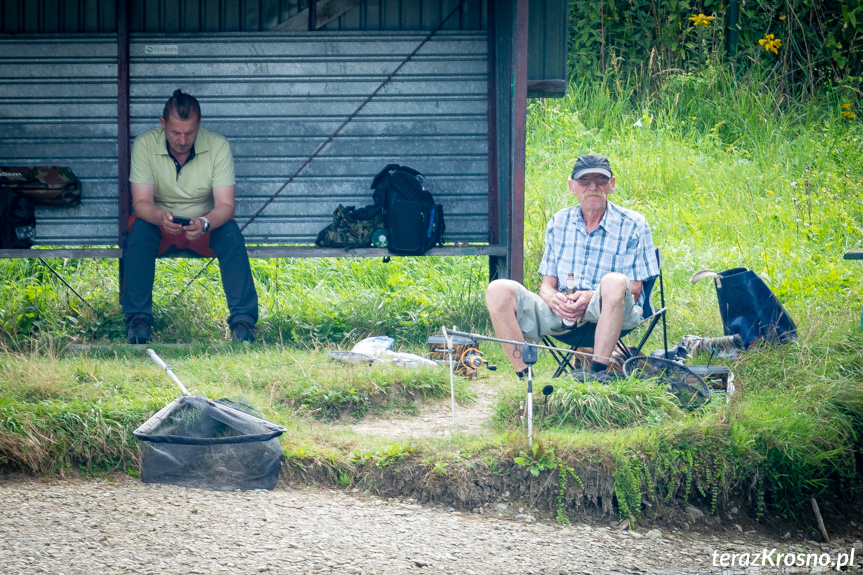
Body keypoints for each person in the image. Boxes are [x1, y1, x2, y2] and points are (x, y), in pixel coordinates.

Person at [485, 153, 659, 382]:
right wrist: (553, 299)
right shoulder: (559, 222)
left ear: (612, 185)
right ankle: (525, 378)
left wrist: (590, 296)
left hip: (614, 310)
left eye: (601, 180)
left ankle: (598, 374)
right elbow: (547, 286)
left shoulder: (633, 224)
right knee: (498, 289)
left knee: (614, 281)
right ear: (572, 186)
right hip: (563, 313)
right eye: (585, 180)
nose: (593, 186)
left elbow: (635, 289)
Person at [122, 89, 258, 344]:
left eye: (189, 133)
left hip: (204, 225)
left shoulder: (217, 145)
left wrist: (206, 223)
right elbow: (140, 203)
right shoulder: (144, 144)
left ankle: (243, 324)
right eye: (175, 132)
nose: (183, 140)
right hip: (159, 222)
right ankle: (137, 321)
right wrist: (161, 217)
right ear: (163, 124)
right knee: (138, 230)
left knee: (231, 234)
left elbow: (226, 206)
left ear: (199, 125)